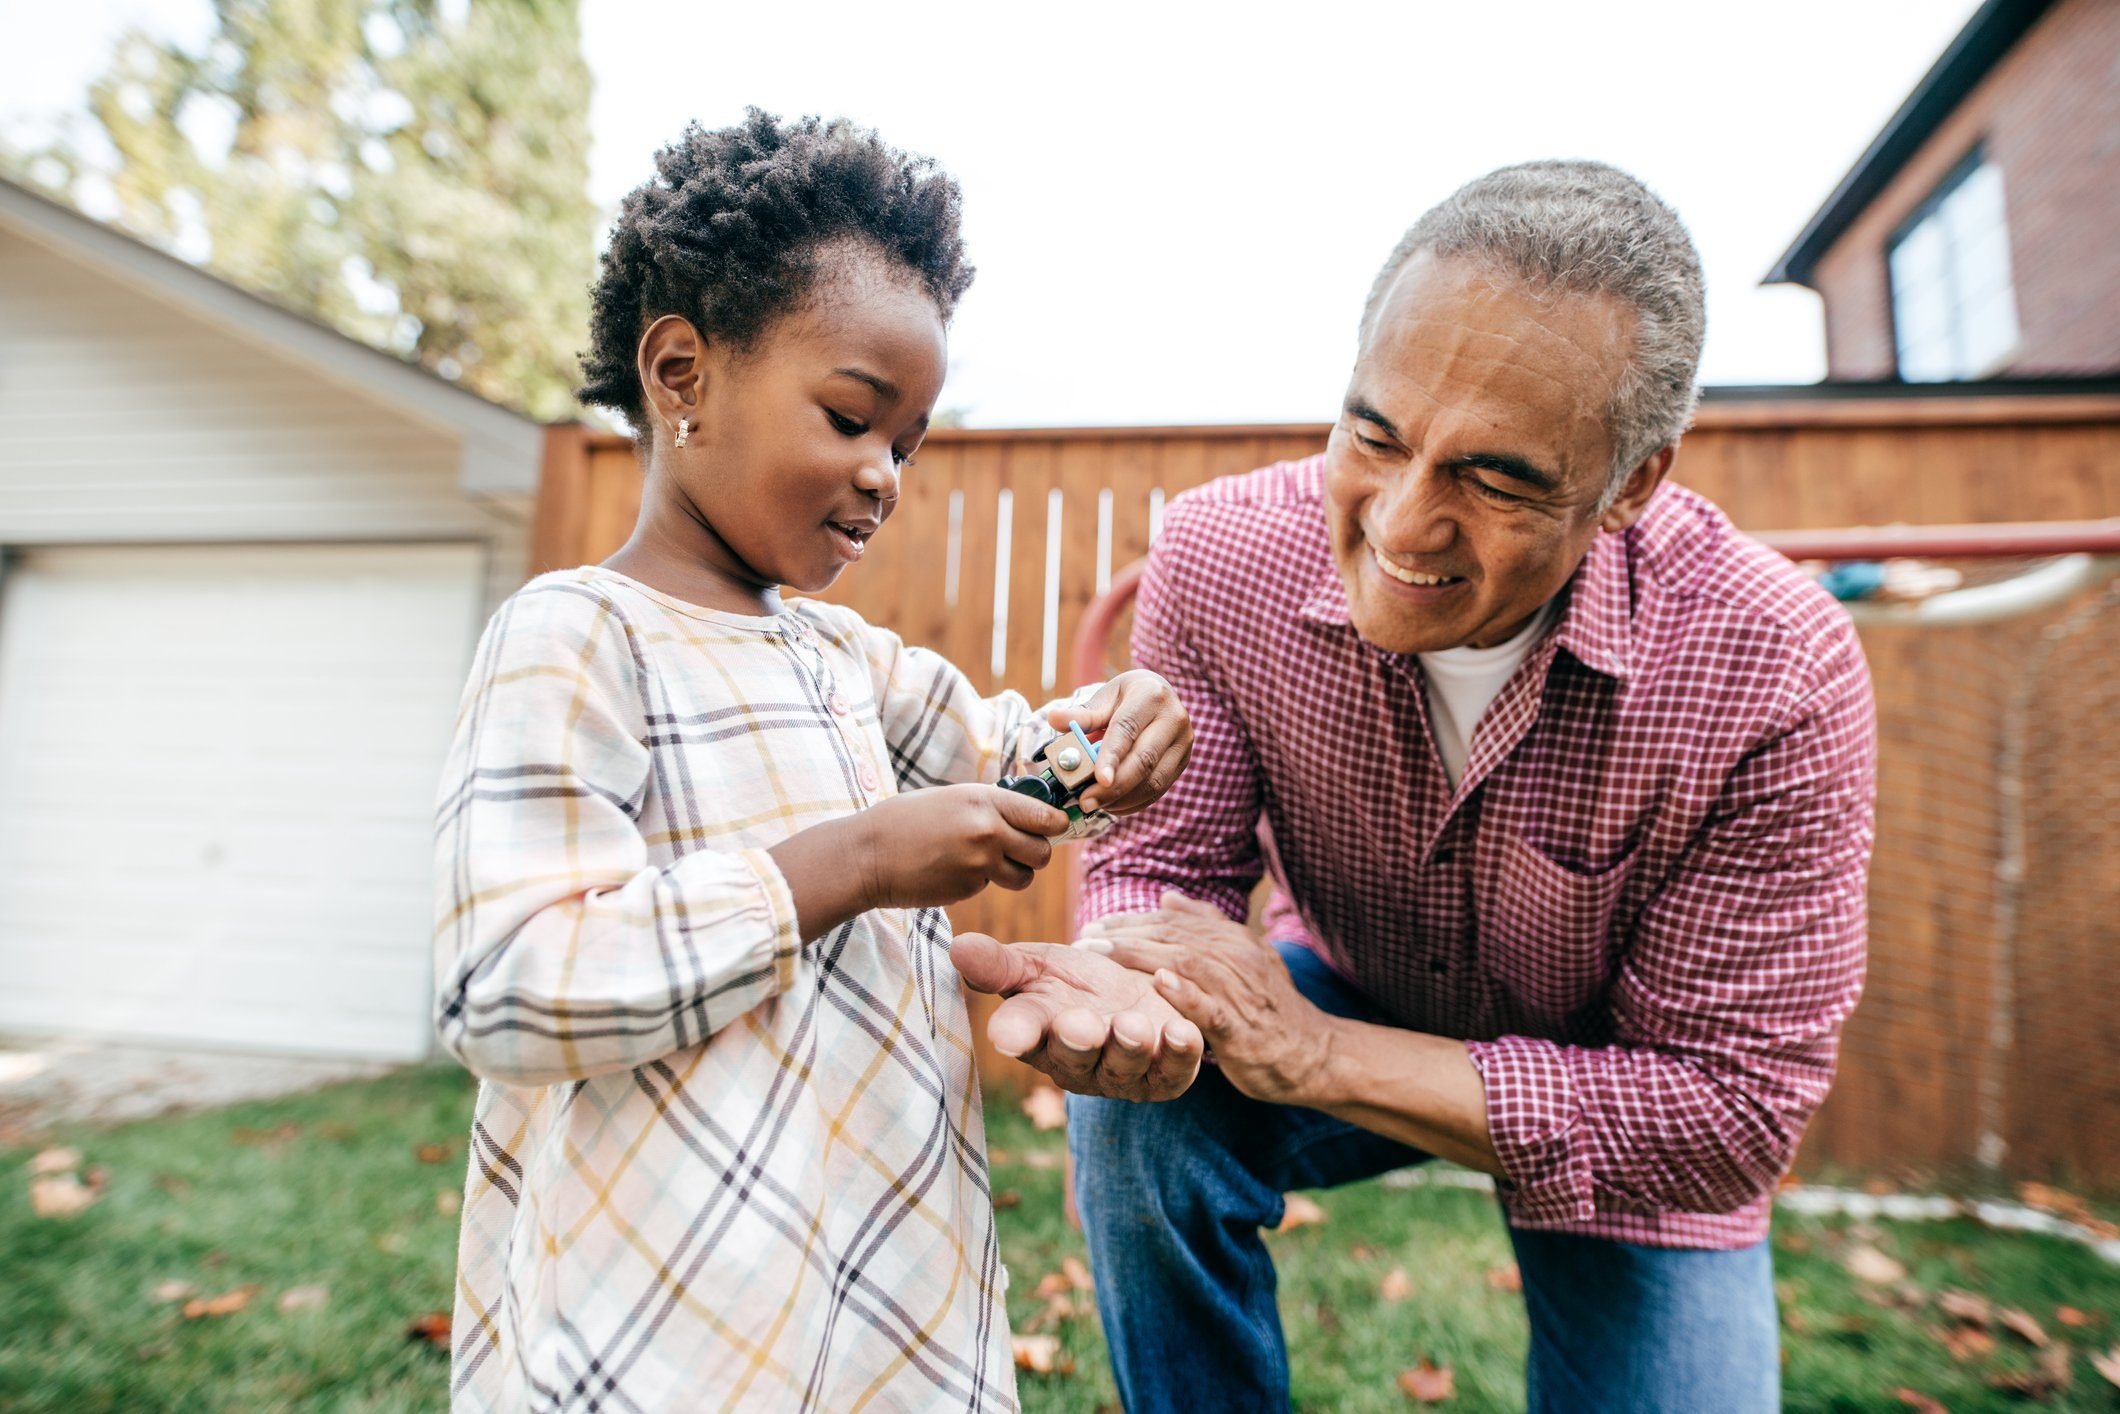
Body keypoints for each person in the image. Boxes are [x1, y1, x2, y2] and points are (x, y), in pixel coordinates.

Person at [953, 162, 1876, 1412]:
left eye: (1492, 480)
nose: (1400, 524)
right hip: (1350, 974)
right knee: (1149, 1090)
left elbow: (1727, 1115)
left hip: (1626, 1083)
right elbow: (1163, 874)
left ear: (1630, 483)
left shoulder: (1774, 665)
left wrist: (1320, 1057)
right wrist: (1125, 973)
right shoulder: (1219, 560)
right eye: (1374, 435)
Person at [430, 110, 1191, 1412]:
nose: (884, 473)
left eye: (906, 440)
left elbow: (1025, 760)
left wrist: (1123, 737)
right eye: (850, 415)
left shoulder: (848, 658)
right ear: (681, 373)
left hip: (889, 1304)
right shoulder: (574, 639)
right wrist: (851, 863)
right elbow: (506, 985)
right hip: (664, 1321)